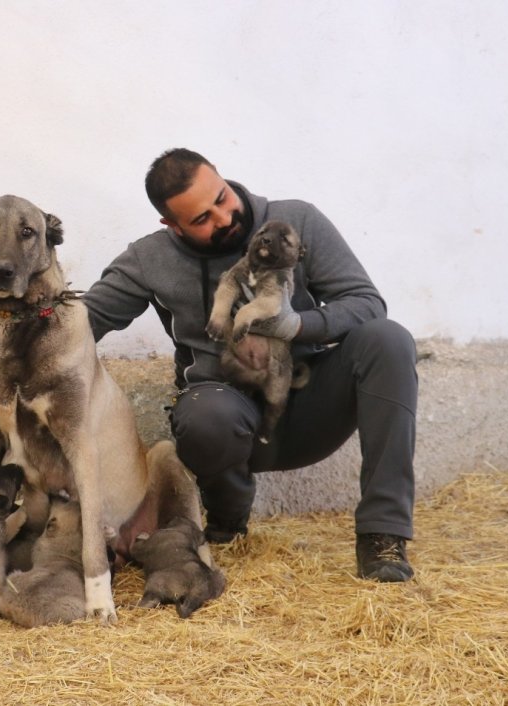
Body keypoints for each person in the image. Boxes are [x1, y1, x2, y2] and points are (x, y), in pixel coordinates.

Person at [83, 148, 417, 582]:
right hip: (225, 412)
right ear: (172, 226)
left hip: (308, 401)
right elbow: (82, 323)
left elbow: (367, 305)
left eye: (221, 198)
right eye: (201, 219)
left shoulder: (295, 220)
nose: (222, 218)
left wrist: (297, 325)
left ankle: (382, 537)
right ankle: (226, 520)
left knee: (389, 340)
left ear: (222, 176)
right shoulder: (150, 259)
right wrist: (24, 306)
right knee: (205, 415)